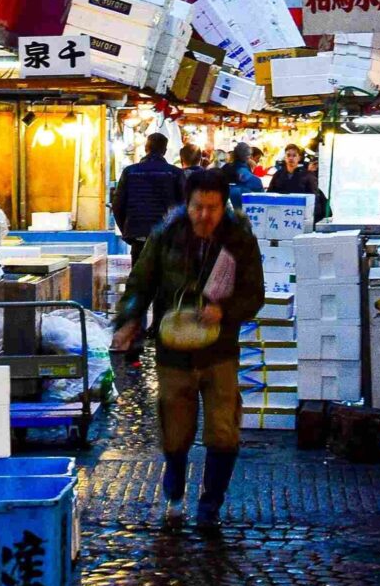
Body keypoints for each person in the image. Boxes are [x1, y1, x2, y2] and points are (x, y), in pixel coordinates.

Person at [110, 172, 267, 534]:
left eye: (212, 208)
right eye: (198, 207)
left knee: (223, 431)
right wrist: (129, 319)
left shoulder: (239, 239)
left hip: (220, 351)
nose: (204, 216)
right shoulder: (165, 234)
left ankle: (211, 504)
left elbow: (253, 293)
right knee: (175, 429)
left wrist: (225, 311)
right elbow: (141, 281)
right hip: (173, 351)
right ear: (187, 203)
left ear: (224, 205)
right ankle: (174, 492)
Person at [112, 132, 185, 244]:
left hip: (138, 235)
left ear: (146, 148)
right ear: (164, 151)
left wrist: (127, 230)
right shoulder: (176, 173)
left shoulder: (129, 172)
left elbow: (117, 204)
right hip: (167, 237)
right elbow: (184, 206)